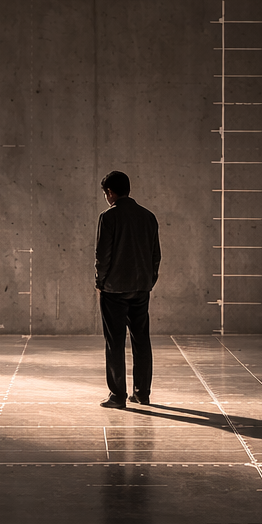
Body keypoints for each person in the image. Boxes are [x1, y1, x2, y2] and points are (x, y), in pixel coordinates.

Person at [93, 170, 160, 408]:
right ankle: (142, 393)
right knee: (141, 340)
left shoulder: (108, 217)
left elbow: (103, 256)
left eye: (105, 193)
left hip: (114, 291)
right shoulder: (148, 217)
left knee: (115, 342)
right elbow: (155, 255)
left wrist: (101, 281)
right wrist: (149, 281)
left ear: (110, 193)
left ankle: (117, 396)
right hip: (141, 289)